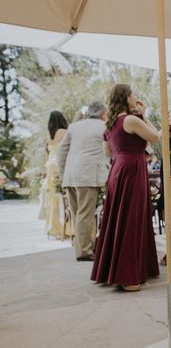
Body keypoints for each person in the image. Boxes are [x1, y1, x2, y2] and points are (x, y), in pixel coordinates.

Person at [91, 84, 160, 292]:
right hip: (132, 170)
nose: (136, 96)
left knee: (118, 218)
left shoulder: (110, 124)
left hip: (117, 170)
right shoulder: (130, 120)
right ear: (126, 98)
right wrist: (144, 115)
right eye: (133, 94)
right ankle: (127, 276)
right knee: (131, 219)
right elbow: (155, 137)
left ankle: (115, 270)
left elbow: (108, 153)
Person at [56, 102, 109, 261]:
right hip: (88, 176)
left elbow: (61, 152)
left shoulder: (73, 127)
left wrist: (62, 174)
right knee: (85, 215)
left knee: (76, 214)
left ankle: (82, 248)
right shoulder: (104, 126)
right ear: (102, 114)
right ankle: (84, 251)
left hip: (70, 176)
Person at [43, 111, 71, 240]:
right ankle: (65, 228)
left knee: (53, 196)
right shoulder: (63, 132)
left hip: (50, 164)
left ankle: (54, 226)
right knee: (63, 195)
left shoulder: (50, 135)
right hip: (58, 163)